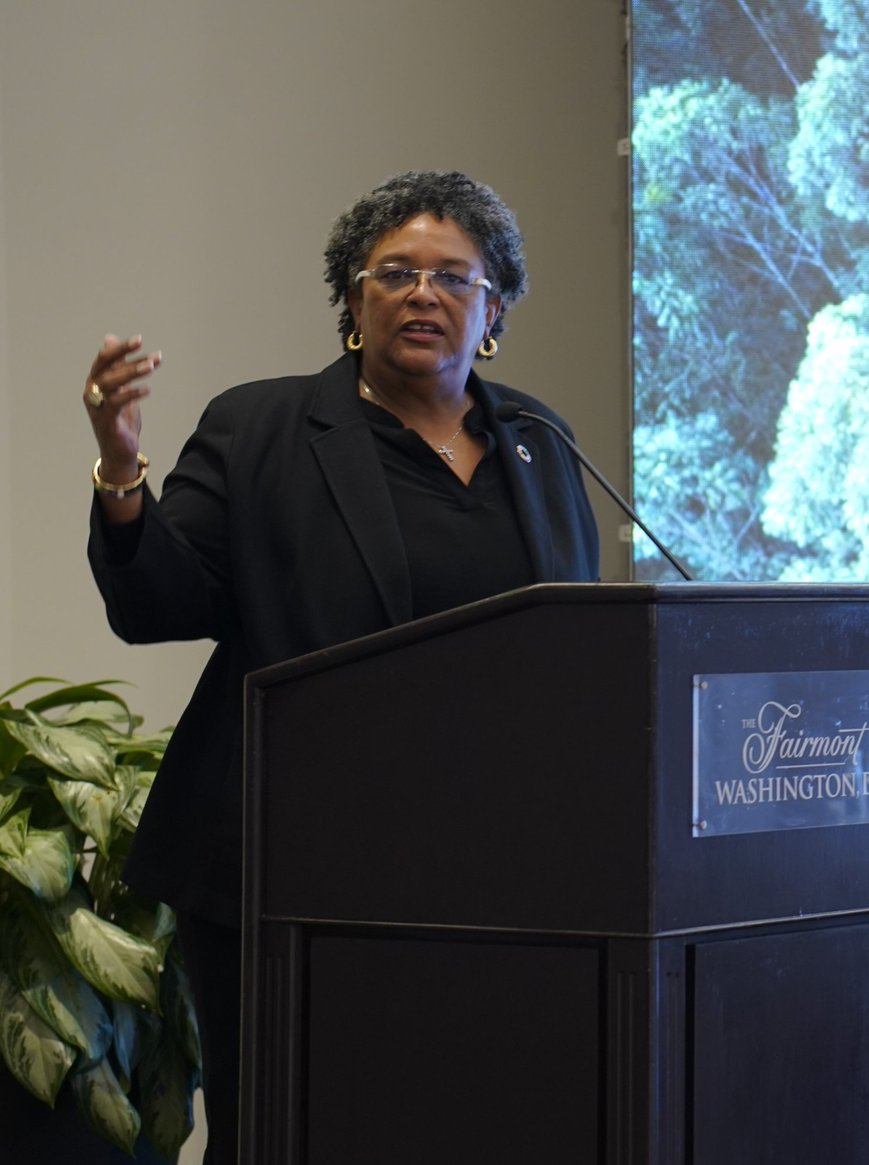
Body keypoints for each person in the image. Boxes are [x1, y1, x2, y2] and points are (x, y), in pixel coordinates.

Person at [83, 170, 600, 1164]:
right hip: (290, 863)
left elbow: (567, 646)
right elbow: (158, 606)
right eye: (395, 272)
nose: (423, 293)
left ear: (492, 312)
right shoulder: (264, 430)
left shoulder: (539, 440)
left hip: (494, 868)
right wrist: (119, 472)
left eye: (454, 278)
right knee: (291, 1124)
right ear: (353, 301)